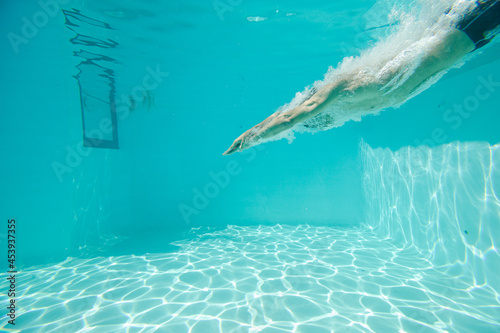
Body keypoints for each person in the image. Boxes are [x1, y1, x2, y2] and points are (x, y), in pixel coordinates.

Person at [223, 0, 500, 155]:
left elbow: (289, 118)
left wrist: (249, 139)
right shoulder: (355, 107)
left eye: (312, 120)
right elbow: (285, 115)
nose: (315, 124)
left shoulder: (338, 90)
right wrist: (257, 129)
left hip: (464, 25)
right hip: (469, 38)